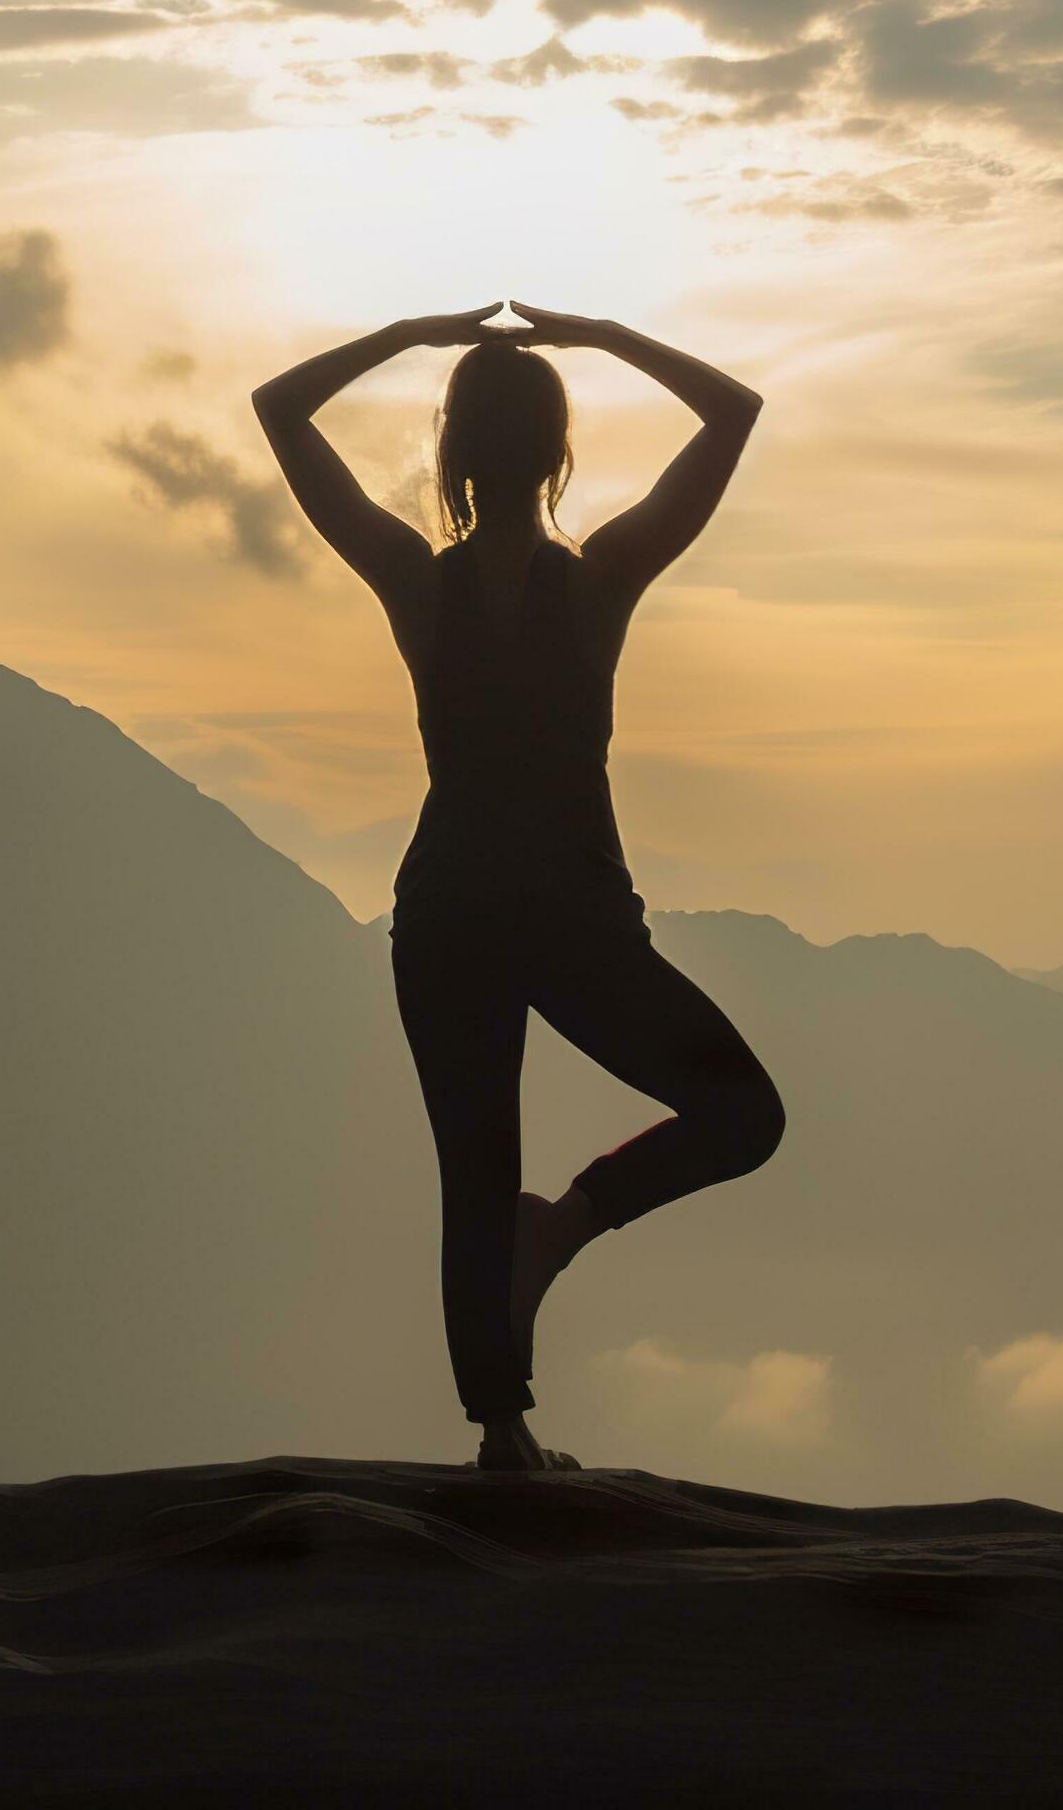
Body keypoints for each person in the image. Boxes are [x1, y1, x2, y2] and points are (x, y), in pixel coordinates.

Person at [253, 301, 788, 1473]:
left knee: (473, 1167)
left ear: (448, 457)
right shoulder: (598, 584)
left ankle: (502, 1431)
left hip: (446, 915)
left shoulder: (414, 581)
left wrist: (404, 335)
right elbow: (732, 412)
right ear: (557, 456)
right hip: (572, 922)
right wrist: (599, 335)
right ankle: (561, 1234)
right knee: (742, 1113)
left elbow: (277, 410)